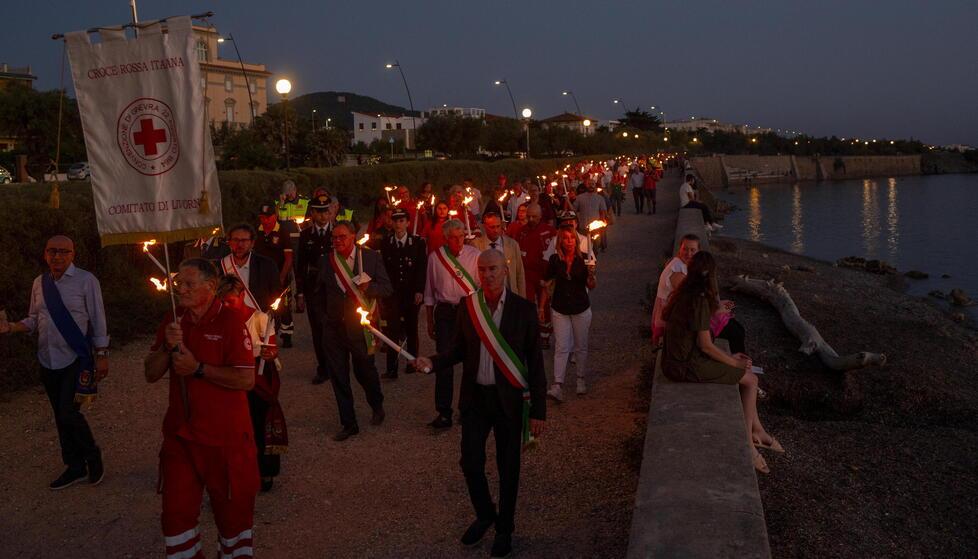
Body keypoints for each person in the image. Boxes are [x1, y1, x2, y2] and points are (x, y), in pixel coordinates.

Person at [411, 250, 546, 558]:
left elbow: (536, 364)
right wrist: (432, 362)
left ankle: (505, 529)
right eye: (483, 269)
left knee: (508, 467)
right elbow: (457, 350)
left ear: (506, 269)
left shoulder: (523, 310)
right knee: (470, 462)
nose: (488, 274)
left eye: (493, 269)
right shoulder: (468, 306)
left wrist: (539, 410)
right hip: (476, 399)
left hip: (509, 401)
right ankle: (486, 514)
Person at [143, 258, 259, 559]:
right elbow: (150, 373)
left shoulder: (231, 322)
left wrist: (198, 369)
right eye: (179, 283)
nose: (181, 289)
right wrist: (167, 348)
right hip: (181, 437)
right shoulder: (173, 320)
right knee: (175, 516)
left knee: (233, 520)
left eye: (189, 284)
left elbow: (246, 379)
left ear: (210, 287)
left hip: (225, 440)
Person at [1, 235, 108, 489]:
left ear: (73, 254)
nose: (57, 256)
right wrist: (11, 327)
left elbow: (98, 318)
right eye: (52, 251)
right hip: (47, 358)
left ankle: (92, 456)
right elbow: (34, 319)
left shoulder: (86, 281)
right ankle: (74, 466)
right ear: (45, 254)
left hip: (75, 358)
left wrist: (102, 354)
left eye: (63, 252)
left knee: (68, 412)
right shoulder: (40, 283)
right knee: (60, 416)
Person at [661, 251, 779, 474]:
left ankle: (759, 432)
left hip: (676, 361)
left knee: (744, 372)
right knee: (751, 379)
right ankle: (747, 444)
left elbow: (697, 343)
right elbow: (705, 345)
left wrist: (730, 360)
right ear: (711, 275)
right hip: (684, 366)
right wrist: (733, 364)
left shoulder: (684, 292)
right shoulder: (699, 300)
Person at [316, 221, 393, 441]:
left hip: (359, 328)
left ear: (353, 237)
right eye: (334, 237)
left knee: (364, 371)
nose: (337, 241)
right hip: (333, 328)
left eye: (342, 237)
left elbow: (387, 288)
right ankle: (348, 423)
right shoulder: (326, 261)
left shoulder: (370, 257)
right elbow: (318, 292)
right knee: (338, 376)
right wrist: (323, 318)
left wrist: (370, 288)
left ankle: (376, 403)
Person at [219, 275, 287, 493]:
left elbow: (272, 347)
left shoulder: (260, 319)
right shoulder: (219, 319)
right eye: (223, 301)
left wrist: (269, 353)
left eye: (231, 300)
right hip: (231, 375)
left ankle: (265, 470)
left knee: (258, 424)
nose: (227, 305)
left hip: (257, 377)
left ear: (242, 296)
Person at [423, 219, 481, 429]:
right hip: (446, 313)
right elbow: (429, 292)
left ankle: (468, 409)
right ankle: (443, 412)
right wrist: (430, 320)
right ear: (446, 239)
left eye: (461, 236)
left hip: (468, 310)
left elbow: (481, 288)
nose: (458, 241)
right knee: (444, 362)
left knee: (470, 360)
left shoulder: (475, 256)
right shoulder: (435, 258)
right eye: (453, 238)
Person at [540, 227, 596, 400]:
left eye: (572, 238)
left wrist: (591, 276)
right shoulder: (555, 260)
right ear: (561, 242)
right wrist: (541, 307)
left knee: (581, 345)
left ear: (576, 241)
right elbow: (547, 284)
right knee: (562, 346)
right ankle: (558, 384)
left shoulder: (584, 259)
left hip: (580, 307)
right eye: (566, 238)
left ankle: (580, 379)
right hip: (560, 307)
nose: (569, 241)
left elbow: (591, 286)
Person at [379, 208, 428, 379]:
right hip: (393, 294)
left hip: (410, 293)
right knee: (392, 330)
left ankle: (412, 362)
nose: (398, 225)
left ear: (408, 223)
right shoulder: (386, 243)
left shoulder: (417, 243)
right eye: (395, 221)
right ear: (391, 223)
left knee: (411, 328)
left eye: (402, 221)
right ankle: (391, 368)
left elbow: (421, 268)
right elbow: (383, 268)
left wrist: (419, 290)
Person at [295, 194, 336, 384]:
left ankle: (338, 364)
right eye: (318, 212)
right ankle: (323, 367)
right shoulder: (305, 235)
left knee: (337, 328)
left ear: (331, 212)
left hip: (334, 289)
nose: (322, 216)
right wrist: (300, 292)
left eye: (326, 211)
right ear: (312, 213)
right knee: (318, 329)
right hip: (314, 289)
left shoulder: (338, 233)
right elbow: (300, 265)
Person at [218, 224, 282, 314]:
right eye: (235, 240)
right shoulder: (219, 267)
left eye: (244, 240)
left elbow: (276, 295)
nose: (239, 244)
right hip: (230, 322)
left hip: (260, 323)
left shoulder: (267, 265)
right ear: (229, 242)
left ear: (252, 243)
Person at [254, 204, 295, 347]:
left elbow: (289, 258)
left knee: (283, 306)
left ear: (275, 216)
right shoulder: (256, 232)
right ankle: (264, 333)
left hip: (279, 275)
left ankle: (287, 333)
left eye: (268, 217)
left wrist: (282, 277)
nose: (265, 220)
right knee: (263, 305)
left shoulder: (282, 232)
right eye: (262, 217)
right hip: (261, 277)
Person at [469, 212, 527, 298]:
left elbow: (519, 273)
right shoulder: (476, 245)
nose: (496, 230)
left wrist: (522, 298)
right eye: (492, 227)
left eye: (498, 226)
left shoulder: (512, 245)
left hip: (509, 294)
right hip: (485, 295)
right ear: (485, 227)